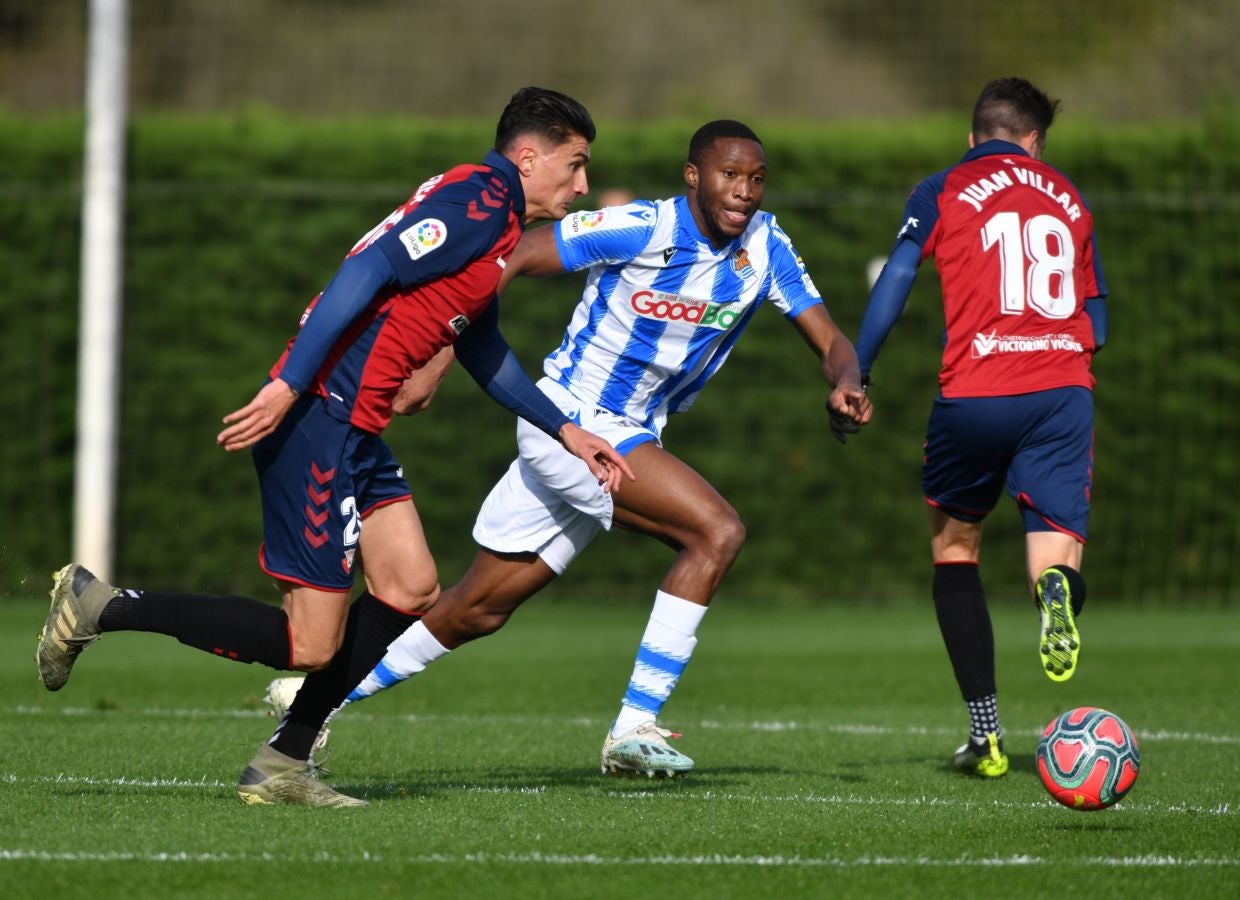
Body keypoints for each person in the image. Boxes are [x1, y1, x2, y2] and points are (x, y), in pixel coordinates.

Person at [35, 87, 633, 807]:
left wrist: (566, 430)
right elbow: (368, 268)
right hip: (319, 418)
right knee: (309, 644)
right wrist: (289, 383)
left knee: (410, 587)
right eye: (575, 164)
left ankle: (282, 763)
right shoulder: (478, 201)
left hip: (354, 425)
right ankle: (101, 605)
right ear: (529, 158)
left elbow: (482, 346)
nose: (583, 184)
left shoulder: (497, 221)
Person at [317, 118, 872, 780]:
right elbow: (516, 255)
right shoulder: (642, 227)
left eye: (756, 179)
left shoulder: (766, 245)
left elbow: (831, 340)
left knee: (476, 609)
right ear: (693, 176)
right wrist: (441, 350)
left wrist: (847, 381)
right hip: (572, 421)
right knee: (716, 532)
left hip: (629, 432)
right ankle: (634, 726)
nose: (744, 191)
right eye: (729, 175)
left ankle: (311, 701)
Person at [853, 77, 1109, 779]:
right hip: (1060, 393)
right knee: (1052, 555)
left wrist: (858, 369)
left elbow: (899, 274)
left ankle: (987, 735)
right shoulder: (1069, 196)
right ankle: (1055, 594)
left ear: (973, 138)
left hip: (975, 392)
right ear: (1035, 142)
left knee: (955, 551)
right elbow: (1099, 320)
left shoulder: (942, 187)